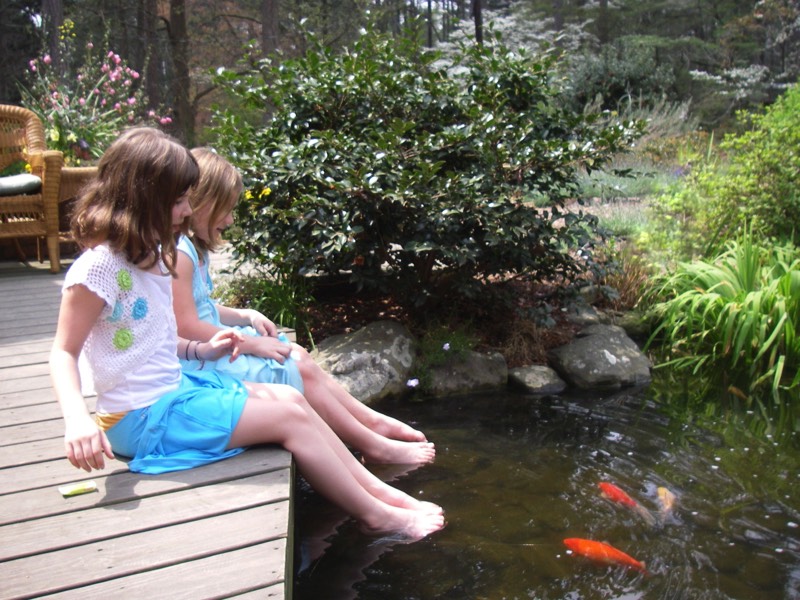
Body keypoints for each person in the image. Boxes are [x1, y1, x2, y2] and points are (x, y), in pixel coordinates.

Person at [49, 127, 444, 540]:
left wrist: (202, 348)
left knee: (292, 397)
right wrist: (77, 420)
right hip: (139, 419)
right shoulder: (98, 269)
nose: (186, 211)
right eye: (179, 200)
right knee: (289, 416)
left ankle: (380, 494)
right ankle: (377, 513)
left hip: (177, 391)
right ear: (144, 198)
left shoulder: (151, 255)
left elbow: (157, 338)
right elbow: (63, 352)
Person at [173, 148, 433, 465]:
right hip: (202, 362)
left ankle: (371, 423)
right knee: (294, 364)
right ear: (201, 203)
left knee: (300, 355)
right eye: (225, 210)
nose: (229, 220)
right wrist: (254, 344)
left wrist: (245, 315)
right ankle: (371, 442)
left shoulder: (192, 250)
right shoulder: (180, 252)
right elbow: (185, 325)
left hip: (219, 349)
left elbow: (202, 307)